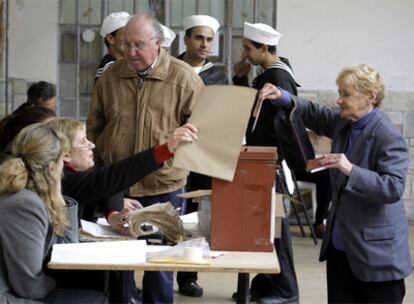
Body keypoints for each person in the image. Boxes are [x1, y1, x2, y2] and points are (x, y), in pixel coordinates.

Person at [258, 63, 411, 304]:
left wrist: (350, 169)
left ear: (369, 97)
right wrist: (283, 96)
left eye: (345, 94)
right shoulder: (344, 122)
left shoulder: (388, 136)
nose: (339, 100)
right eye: (340, 93)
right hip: (341, 248)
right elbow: (315, 113)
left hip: (376, 255)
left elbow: (392, 188)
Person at [87, 14, 204, 304]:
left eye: (139, 45)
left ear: (158, 44)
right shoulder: (111, 77)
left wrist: (177, 161)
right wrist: (102, 174)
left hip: (163, 186)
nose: (131, 52)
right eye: (126, 44)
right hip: (117, 185)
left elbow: (202, 134)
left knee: (160, 262)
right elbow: (95, 126)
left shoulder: (184, 78)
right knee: (117, 264)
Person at [48, 118, 197, 303]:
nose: (92, 145)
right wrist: (166, 149)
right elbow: (111, 178)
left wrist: (113, 213)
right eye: (84, 142)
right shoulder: (65, 180)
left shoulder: (74, 174)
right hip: (59, 278)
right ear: (65, 156)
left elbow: (107, 181)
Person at [232, 21, 303, 304]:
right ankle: (266, 283)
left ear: (264, 48)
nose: (245, 54)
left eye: (249, 49)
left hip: (270, 163)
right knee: (264, 228)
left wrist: (271, 160)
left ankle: (287, 290)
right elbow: (254, 112)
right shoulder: (269, 72)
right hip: (262, 160)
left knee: (277, 231)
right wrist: (240, 80)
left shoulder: (278, 77)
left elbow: (280, 125)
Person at [0, 123, 107, 304]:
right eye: (61, 161)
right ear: (52, 168)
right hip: (9, 297)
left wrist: (58, 195)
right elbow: (29, 287)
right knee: (95, 299)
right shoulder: (24, 203)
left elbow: (67, 249)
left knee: (92, 286)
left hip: (16, 289)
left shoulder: (29, 194)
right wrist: (55, 283)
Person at [175, 14, 228, 298]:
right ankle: (154, 273)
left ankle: (188, 276)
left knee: (194, 215)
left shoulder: (217, 75)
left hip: (202, 154)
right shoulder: (171, 68)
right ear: (186, 39)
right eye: (199, 38)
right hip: (169, 152)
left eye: (209, 39)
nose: (204, 44)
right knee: (166, 211)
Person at [95, 11, 130, 81]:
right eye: (127, 33)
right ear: (111, 38)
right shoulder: (110, 68)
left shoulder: (125, 65)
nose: (131, 39)